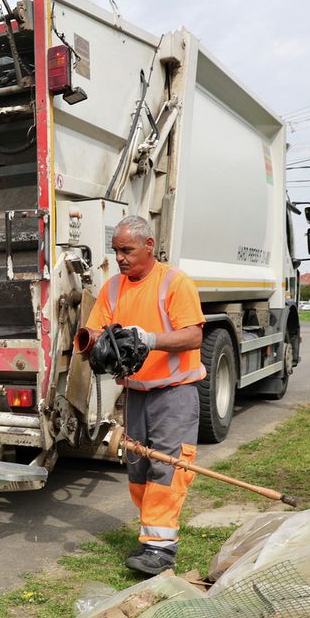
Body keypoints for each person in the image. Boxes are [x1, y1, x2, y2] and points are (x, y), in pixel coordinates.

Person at [80, 215, 205, 576]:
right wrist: (94, 343)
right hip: (136, 394)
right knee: (138, 468)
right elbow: (94, 327)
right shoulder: (114, 288)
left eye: (127, 250)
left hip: (174, 394)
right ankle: (152, 535)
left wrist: (147, 339)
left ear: (148, 246)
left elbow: (193, 337)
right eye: (116, 250)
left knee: (166, 469)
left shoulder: (174, 282)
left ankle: (160, 549)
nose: (119, 257)